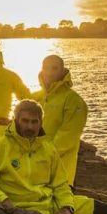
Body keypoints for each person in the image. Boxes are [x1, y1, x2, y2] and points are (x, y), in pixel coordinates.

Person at [33, 55, 86, 185]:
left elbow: (67, 138)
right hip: (32, 173)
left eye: (54, 68)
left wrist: (39, 158)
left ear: (63, 71)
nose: (49, 73)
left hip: (60, 177)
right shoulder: (36, 97)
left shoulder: (74, 101)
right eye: (46, 68)